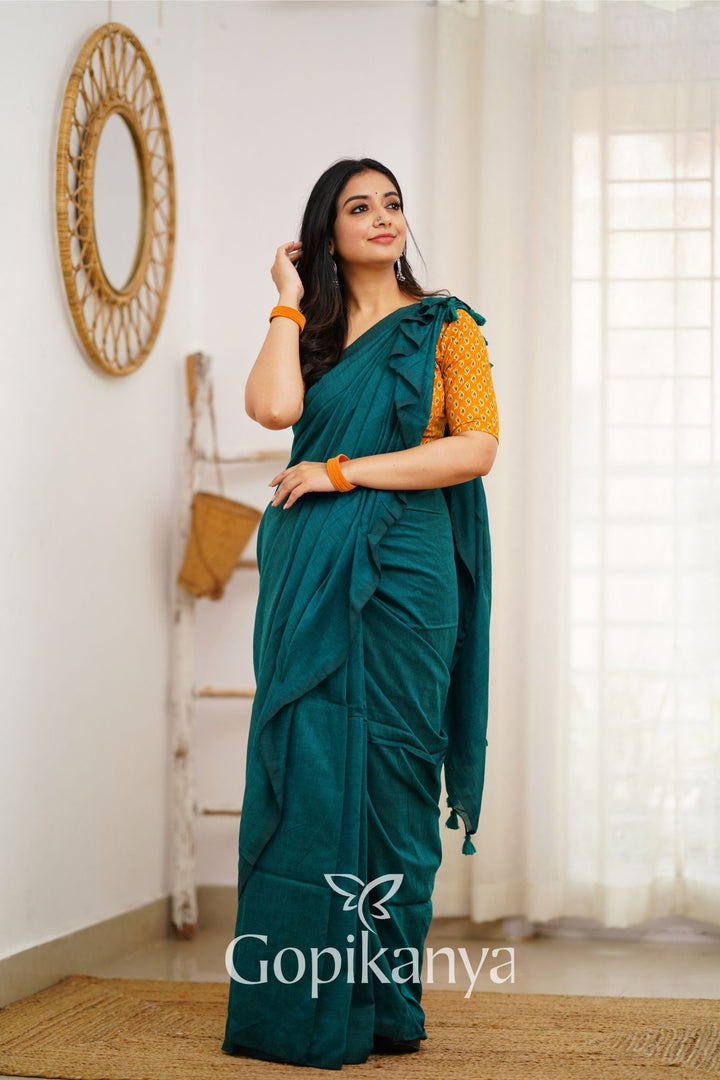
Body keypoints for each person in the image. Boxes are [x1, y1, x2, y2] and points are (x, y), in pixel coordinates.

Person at [222, 157, 499, 1071]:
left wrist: (343, 471)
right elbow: (272, 409)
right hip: (310, 563)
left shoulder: (446, 325)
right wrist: (287, 299)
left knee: (398, 770)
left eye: (393, 204)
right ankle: (299, 1009)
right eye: (359, 207)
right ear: (328, 232)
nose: (384, 218)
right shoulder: (311, 330)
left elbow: (475, 448)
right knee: (306, 759)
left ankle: (383, 1004)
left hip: (411, 565)